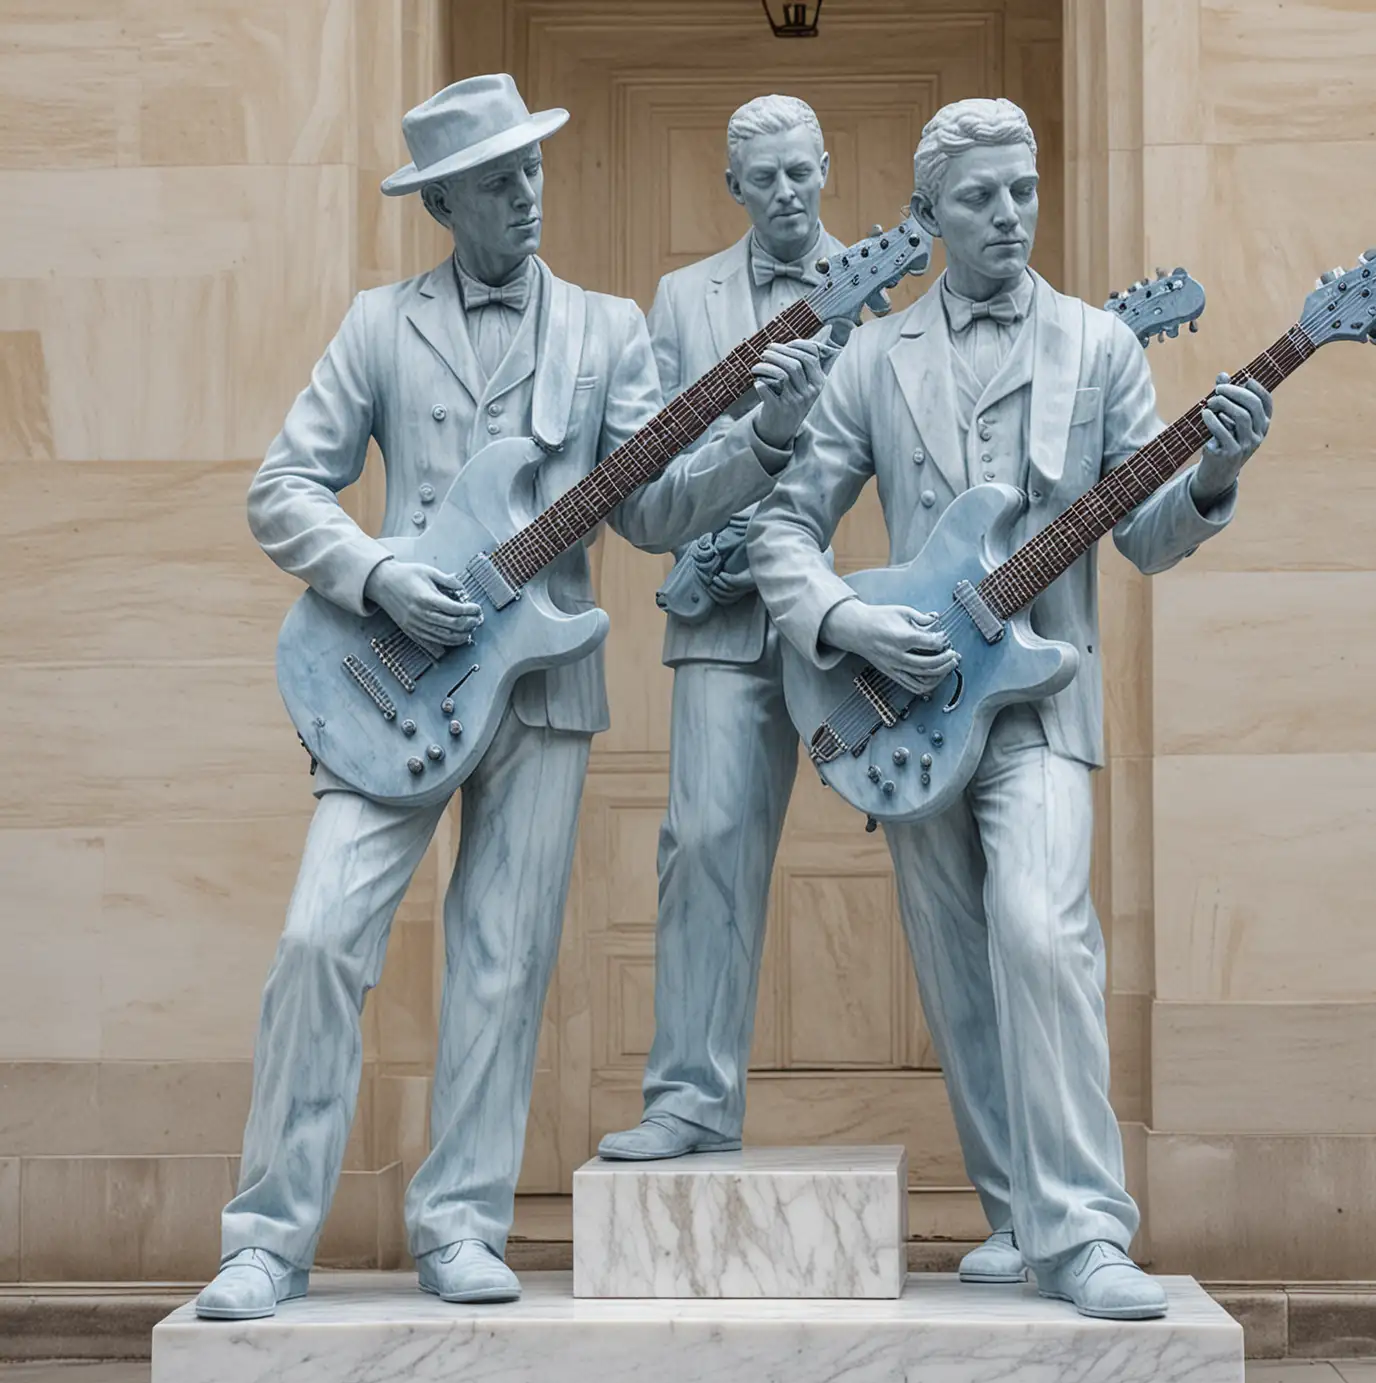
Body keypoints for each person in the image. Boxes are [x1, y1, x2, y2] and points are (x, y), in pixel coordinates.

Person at [194, 74, 826, 1320]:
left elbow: (647, 508)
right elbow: (283, 490)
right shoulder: (378, 326)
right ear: (442, 201)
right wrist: (376, 574)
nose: (526, 194)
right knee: (319, 938)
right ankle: (267, 1237)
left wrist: (760, 442)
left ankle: (462, 1223)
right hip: (386, 683)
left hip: (540, 695)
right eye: (497, 180)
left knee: (501, 962)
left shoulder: (603, 331)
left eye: (532, 168)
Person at [745, 98, 1273, 1318]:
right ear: (928, 214)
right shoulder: (875, 359)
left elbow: (1141, 536)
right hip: (905, 704)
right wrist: (843, 621)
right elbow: (785, 525)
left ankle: (1085, 1230)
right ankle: (1016, 1214)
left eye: (1025, 191)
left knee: (1041, 936)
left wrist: (1217, 473)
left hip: (1038, 705)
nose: (1010, 215)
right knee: (960, 975)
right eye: (981, 196)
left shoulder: (1098, 349)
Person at [598, 94, 1025, 1285]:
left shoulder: (891, 280)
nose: (789, 194)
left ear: (831, 169)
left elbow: (917, 453)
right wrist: (753, 449)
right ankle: (689, 1100)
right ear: (735, 186)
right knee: (704, 840)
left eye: (804, 172)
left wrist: (881, 598)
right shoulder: (684, 303)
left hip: (853, 625)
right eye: (766, 178)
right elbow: (658, 478)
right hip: (721, 612)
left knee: (944, 884)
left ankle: (1025, 1195)